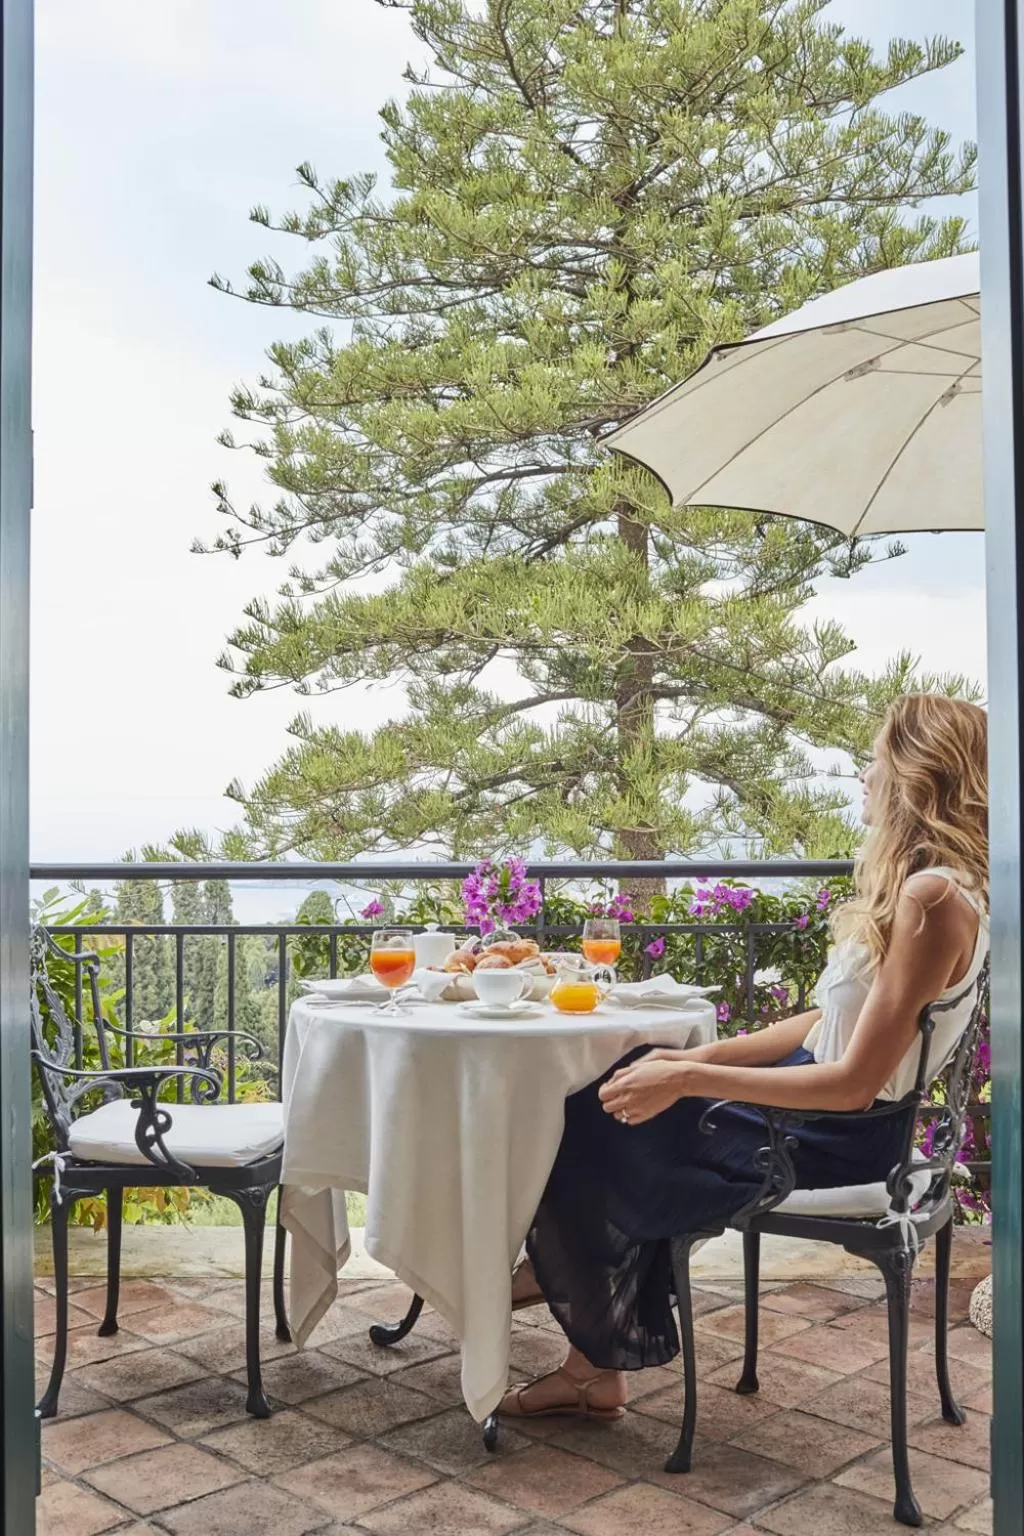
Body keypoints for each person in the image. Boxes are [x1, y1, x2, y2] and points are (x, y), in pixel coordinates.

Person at [500, 693, 989, 1421]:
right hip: (820, 1111)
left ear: (918, 774)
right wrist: (685, 1059)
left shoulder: (931, 898)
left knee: (598, 1115)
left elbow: (854, 1084)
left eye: (876, 760)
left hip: (835, 1136)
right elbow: (825, 1022)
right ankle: (584, 1341)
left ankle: (560, 1295)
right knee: (624, 1086)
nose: (864, 774)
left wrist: (688, 1075)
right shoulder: (938, 889)